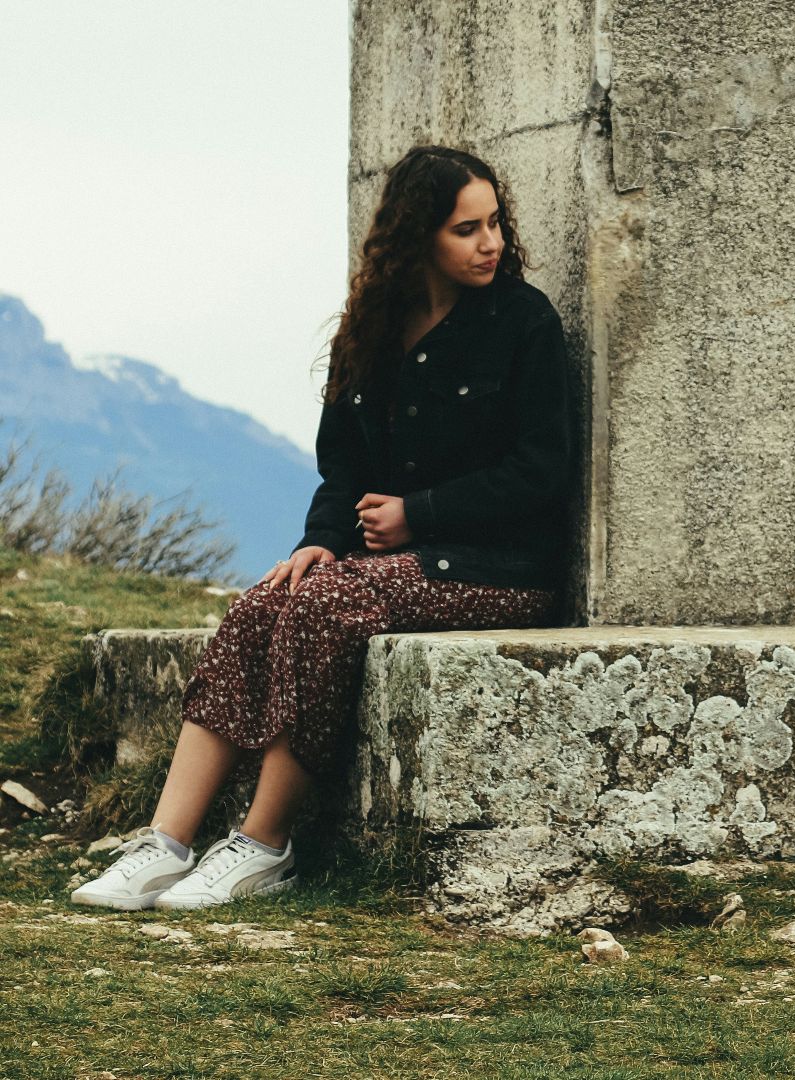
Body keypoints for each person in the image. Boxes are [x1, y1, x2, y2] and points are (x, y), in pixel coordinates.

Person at [70, 146, 573, 910]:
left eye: (495, 222)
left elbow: (543, 470)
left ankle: (263, 846)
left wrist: (421, 515)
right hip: (389, 565)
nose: (491, 243)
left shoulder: (523, 322)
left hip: (496, 568)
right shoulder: (368, 331)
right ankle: (165, 844)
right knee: (263, 601)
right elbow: (342, 471)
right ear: (418, 239)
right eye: (467, 229)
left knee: (325, 606)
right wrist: (317, 540)